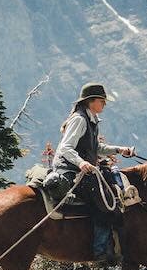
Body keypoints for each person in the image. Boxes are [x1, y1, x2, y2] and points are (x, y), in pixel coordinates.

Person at [54, 83, 138, 211]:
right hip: (69, 171)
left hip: (81, 171)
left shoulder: (91, 119)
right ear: (90, 101)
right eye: (102, 100)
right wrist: (81, 163)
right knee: (104, 208)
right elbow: (65, 147)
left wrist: (119, 150)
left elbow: (96, 148)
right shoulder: (80, 119)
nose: (105, 104)